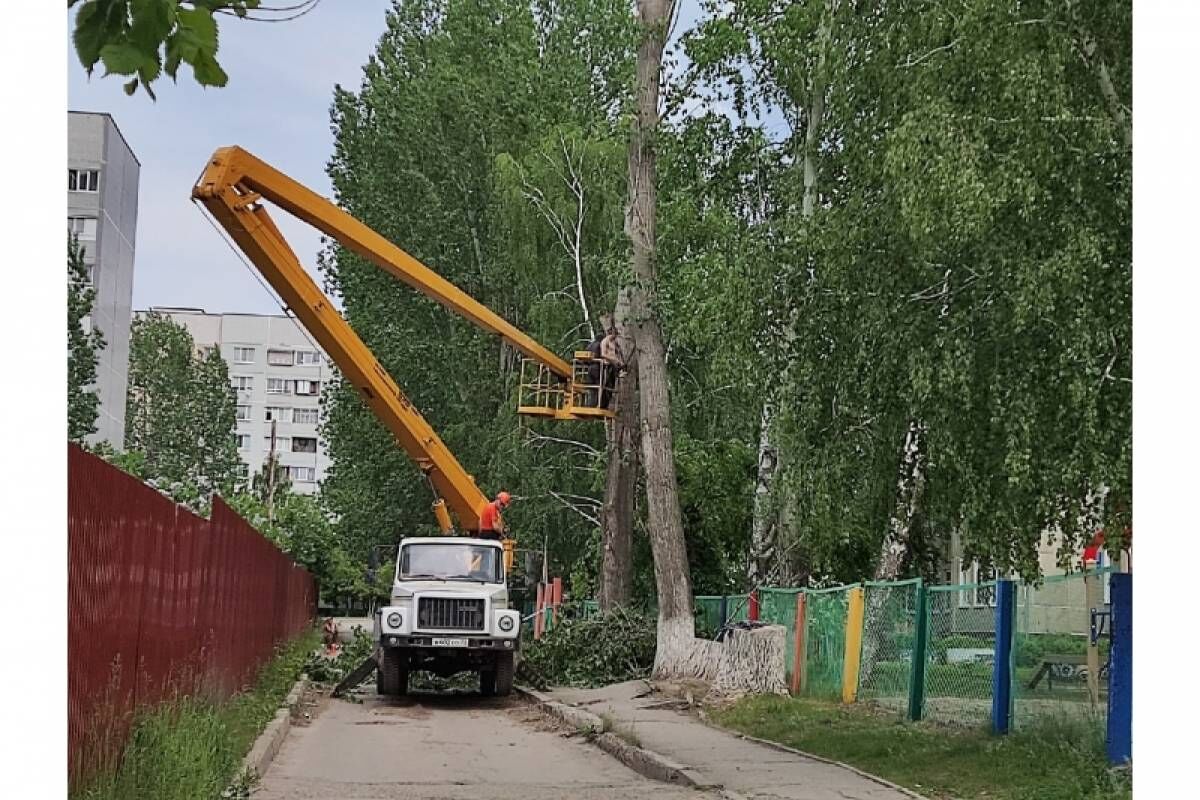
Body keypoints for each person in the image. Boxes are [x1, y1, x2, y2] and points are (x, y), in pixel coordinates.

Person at [599, 324, 624, 409]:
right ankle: (602, 404)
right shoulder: (604, 342)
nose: (615, 337)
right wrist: (613, 360)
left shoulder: (613, 343)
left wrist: (619, 361)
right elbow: (603, 354)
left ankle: (607, 404)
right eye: (614, 335)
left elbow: (616, 354)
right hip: (607, 365)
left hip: (613, 365)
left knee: (611, 386)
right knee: (606, 385)